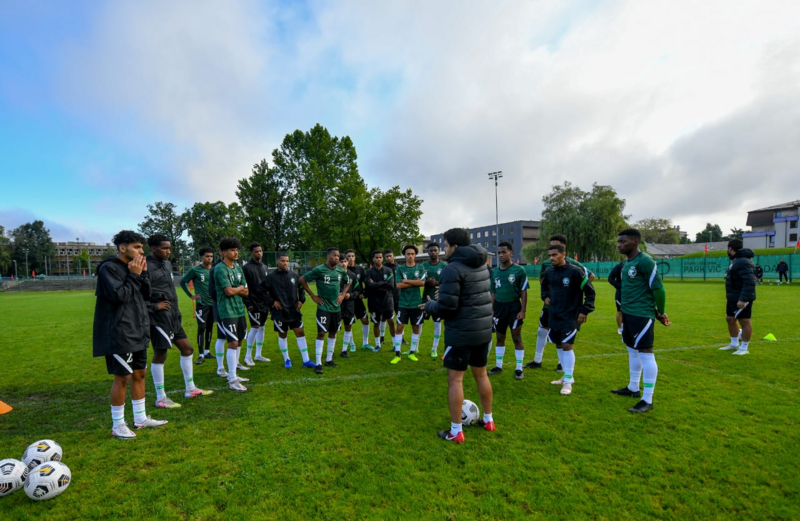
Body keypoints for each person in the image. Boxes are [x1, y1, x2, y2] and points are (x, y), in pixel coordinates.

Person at [422, 228, 494, 443]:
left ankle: (456, 431)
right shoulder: (482, 264)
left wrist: (430, 305)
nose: (443, 249)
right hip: (482, 330)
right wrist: (443, 294)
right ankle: (489, 420)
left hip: (462, 332)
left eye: (445, 245)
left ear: (455, 247)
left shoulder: (451, 269)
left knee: (455, 379)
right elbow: (470, 295)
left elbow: (447, 307)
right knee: (481, 375)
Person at [93, 230, 167, 439]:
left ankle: (140, 418)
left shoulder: (135, 267)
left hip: (138, 328)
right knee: (123, 376)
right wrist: (134, 275)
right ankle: (118, 424)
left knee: (140, 373)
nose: (141, 251)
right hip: (120, 332)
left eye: (142, 247)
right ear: (123, 248)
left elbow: (146, 295)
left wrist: (142, 274)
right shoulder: (109, 268)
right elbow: (120, 296)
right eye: (137, 247)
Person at [146, 235, 212, 409]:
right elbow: (138, 293)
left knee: (187, 349)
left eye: (170, 248)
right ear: (154, 248)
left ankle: (190, 389)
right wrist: (154, 306)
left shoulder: (167, 264)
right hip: (159, 318)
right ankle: (161, 397)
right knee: (161, 354)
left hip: (173, 316)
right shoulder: (145, 266)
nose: (169, 251)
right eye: (165, 248)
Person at [611, 229, 669, 413]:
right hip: (628, 314)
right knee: (632, 351)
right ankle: (633, 388)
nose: (619, 245)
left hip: (642, 315)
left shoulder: (645, 261)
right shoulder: (627, 263)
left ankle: (647, 400)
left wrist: (661, 312)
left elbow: (659, 289)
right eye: (618, 242)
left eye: (623, 241)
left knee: (646, 353)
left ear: (635, 242)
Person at [525, 235, 595, 372]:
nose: (552, 255)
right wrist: (546, 295)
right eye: (550, 249)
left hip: (568, 309)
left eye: (556, 249)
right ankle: (537, 360)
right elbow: (543, 280)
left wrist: (572, 293)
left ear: (564, 250)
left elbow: (589, 278)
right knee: (542, 331)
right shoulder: (547, 265)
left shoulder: (574, 267)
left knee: (565, 341)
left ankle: (562, 365)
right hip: (550, 307)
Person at [541, 244, 596, 395]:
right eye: (549, 255)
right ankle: (566, 375)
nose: (551, 258)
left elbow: (590, 292)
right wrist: (545, 297)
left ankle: (568, 382)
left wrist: (584, 310)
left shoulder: (575, 272)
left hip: (570, 315)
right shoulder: (549, 272)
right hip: (554, 314)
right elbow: (543, 287)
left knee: (567, 345)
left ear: (563, 254)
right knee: (559, 344)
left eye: (554, 255)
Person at [299, 248, 351, 374]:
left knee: (333, 332)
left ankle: (329, 359)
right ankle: (318, 363)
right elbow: (302, 280)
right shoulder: (319, 269)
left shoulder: (340, 270)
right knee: (322, 333)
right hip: (323, 307)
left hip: (336, 308)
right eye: (334, 255)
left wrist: (343, 294)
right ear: (328, 256)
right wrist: (313, 296)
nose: (337, 258)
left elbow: (348, 281)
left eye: (338, 256)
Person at [261, 253, 313, 369]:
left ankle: (306, 360)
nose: (285, 263)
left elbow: (301, 288)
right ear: (277, 262)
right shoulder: (271, 277)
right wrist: (272, 302)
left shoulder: (294, 275)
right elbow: (261, 291)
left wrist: (301, 301)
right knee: (283, 335)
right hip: (280, 312)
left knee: (300, 332)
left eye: (287, 261)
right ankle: (287, 359)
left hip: (294, 311)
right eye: (283, 261)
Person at [488, 241, 529, 380]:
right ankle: (499, 366)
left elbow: (523, 291)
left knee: (516, 337)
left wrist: (523, 310)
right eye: (499, 253)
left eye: (504, 252)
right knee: (499, 337)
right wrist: (492, 309)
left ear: (511, 253)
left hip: (514, 308)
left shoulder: (519, 270)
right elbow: (493, 291)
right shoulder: (494, 272)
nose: (501, 255)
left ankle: (519, 368)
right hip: (499, 308)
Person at [214, 237, 250, 392]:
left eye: (236, 250)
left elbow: (247, 292)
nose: (236, 253)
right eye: (232, 250)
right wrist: (239, 288)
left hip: (239, 310)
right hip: (227, 311)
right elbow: (228, 291)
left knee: (240, 340)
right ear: (223, 252)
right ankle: (232, 379)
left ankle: (234, 371)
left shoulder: (238, 268)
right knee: (233, 342)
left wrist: (239, 289)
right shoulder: (220, 269)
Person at [720, 240, 756, 355]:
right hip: (732, 297)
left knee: (744, 321)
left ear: (730, 248)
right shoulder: (737, 260)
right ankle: (734, 343)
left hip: (741, 297)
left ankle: (744, 348)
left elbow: (749, 281)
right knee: (730, 319)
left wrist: (743, 299)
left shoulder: (743, 261)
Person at [180, 247, 215, 364]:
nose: (209, 258)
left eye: (211, 256)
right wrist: (191, 295)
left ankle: (207, 351)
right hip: (202, 305)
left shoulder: (215, 269)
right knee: (202, 328)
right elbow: (182, 282)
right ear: (201, 257)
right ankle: (200, 354)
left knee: (210, 328)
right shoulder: (195, 270)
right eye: (207, 256)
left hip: (213, 304)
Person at [395, 245, 427, 364]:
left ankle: (412, 353)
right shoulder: (400, 269)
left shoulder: (420, 267)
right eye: (408, 254)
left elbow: (422, 283)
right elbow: (398, 285)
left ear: (415, 255)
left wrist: (407, 281)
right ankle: (397, 354)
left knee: (415, 328)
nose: (410, 256)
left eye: (412, 254)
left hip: (416, 304)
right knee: (399, 327)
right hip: (403, 303)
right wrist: (415, 282)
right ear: (405, 255)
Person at [242, 243, 271, 365]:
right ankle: (247, 356)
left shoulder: (265, 267)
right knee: (254, 327)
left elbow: (268, 286)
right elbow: (243, 287)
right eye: (256, 251)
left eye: (260, 251)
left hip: (264, 303)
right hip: (253, 303)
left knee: (262, 327)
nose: (259, 253)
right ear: (251, 253)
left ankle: (258, 354)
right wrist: (248, 303)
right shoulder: (246, 268)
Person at [365, 250, 397, 353]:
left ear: (382, 259)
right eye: (376, 257)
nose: (378, 259)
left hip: (387, 301)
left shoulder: (388, 271)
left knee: (391, 322)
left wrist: (376, 284)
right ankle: (378, 345)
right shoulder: (369, 272)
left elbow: (391, 285)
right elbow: (369, 286)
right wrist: (384, 283)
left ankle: (394, 344)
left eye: (380, 257)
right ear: (373, 259)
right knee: (376, 323)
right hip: (374, 302)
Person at [421, 243, 448, 357]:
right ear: (428, 252)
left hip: (438, 299)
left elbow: (448, 281)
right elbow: (419, 280)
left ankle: (434, 349)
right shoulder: (422, 266)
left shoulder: (444, 265)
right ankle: (415, 348)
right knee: (419, 323)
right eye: (431, 250)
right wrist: (427, 282)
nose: (433, 252)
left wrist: (436, 283)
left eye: (435, 250)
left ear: (439, 251)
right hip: (425, 298)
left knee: (437, 323)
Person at [345, 249, 372, 351]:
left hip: (358, 300)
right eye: (348, 256)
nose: (351, 258)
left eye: (352, 256)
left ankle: (365, 343)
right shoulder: (344, 270)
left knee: (365, 320)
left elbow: (367, 283)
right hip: (348, 301)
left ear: (355, 257)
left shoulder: (360, 269)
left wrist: (364, 293)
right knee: (349, 323)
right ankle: (352, 344)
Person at [337, 257, 357, 358]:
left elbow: (358, 291)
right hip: (337, 306)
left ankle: (344, 350)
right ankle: (330, 351)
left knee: (348, 327)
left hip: (349, 305)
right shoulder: (334, 274)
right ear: (338, 263)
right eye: (341, 262)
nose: (344, 263)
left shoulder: (352, 276)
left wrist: (351, 295)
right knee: (334, 329)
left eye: (345, 261)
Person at [384, 249, 404, 345]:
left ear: (393, 256)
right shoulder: (383, 268)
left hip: (398, 296)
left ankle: (401, 337)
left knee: (400, 319)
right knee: (388, 319)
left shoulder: (399, 267)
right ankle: (383, 337)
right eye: (387, 256)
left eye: (390, 256)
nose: (388, 258)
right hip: (387, 297)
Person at [608, 261, 624, 334]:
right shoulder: (619, 266)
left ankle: (626, 326)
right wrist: (619, 286)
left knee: (630, 311)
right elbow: (610, 278)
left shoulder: (635, 265)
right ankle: (620, 328)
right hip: (621, 293)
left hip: (632, 294)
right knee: (620, 311)